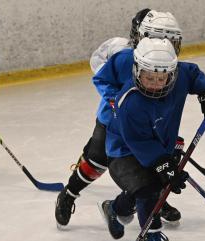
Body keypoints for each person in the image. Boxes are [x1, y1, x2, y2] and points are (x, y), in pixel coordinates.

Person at [100, 37, 205, 241]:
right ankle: (152, 233)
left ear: (172, 73)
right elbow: (139, 142)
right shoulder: (130, 102)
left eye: (162, 78)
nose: (156, 83)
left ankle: (115, 208)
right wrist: (164, 165)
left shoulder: (179, 78)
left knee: (149, 187)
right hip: (124, 153)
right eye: (149, 78)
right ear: (137, 71)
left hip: (157, 145)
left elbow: (194, 74)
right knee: (147, 189)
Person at [55, 9, 183, 227]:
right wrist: (116, 98)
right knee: (96, 161)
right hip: (112, 121)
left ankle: (155, 201)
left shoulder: (165, 61)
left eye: (169, 39)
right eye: (159, 38)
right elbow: (99, 68)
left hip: (149, 125)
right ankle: (69, 193)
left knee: (157, 163)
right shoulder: (121, 51)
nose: (164, 43)